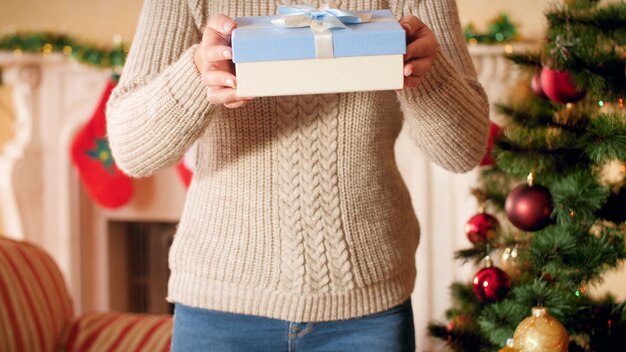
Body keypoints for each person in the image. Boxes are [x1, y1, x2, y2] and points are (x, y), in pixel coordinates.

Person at [106, 0, 489, 350]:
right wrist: (197, 74)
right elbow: (131, 149)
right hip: (218, 307)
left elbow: (464, 151)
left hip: (366, 310)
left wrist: (429, 72)